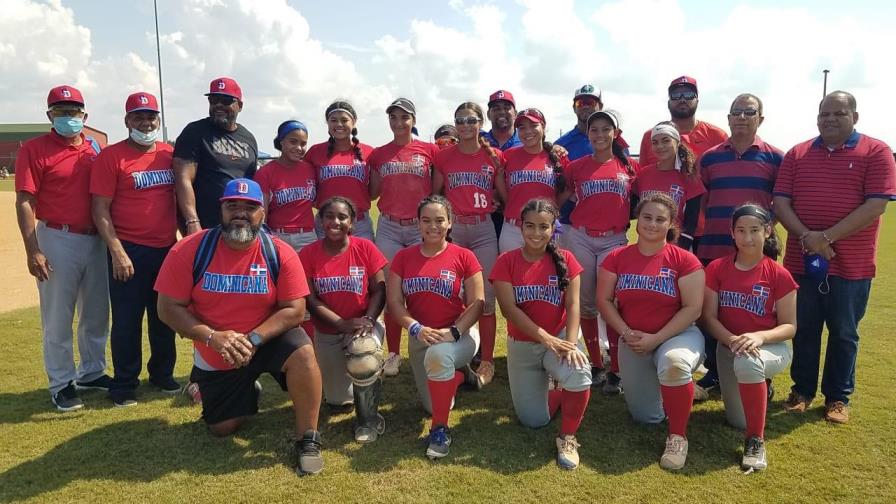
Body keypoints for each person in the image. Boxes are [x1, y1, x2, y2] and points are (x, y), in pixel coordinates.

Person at [155, 178, 325, 476]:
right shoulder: (189, 250)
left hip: (266, 336)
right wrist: (211, 337)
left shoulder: (280, 252)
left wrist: (254, 338)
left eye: (250, 207)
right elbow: (167, 308)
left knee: (304, 354)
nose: (240, 213)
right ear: (220, 209)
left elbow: (295, 309)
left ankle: (308, 438)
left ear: (263, 212)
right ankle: (239, 388)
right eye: (232, 205)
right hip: (217, 344)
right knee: (222, 428)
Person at [773, 91, 896, 424]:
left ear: (854, 117)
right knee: (805, 329)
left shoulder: (877, 151)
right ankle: (801, 392)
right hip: (803, 264)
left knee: (844, 332)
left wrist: (826, 238)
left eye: (838, 114)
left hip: (851, 267)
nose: (829, 119)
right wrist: (808, 239)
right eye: (824, 113)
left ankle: (838, 398)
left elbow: (876, 205)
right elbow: (781, 202)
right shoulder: (798, 154)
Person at [15, 85, 111, 411]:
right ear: (49, 116)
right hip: (57, 236)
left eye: (73, 111)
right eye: (61, 111)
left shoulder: (95, 148)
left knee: (96, 313)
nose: (68, 116)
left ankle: (92, 372)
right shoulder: (34, 148)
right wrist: (33, 249)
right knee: (58, 316)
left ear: (85, 115)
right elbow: (25, 201)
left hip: (95, 238)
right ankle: (61, 383)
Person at [597, 193, 704, 471]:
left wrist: (657, 339)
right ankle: (678, 389)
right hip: (633, 338)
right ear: (637, 219)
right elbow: (604, 301)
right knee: (646, 417)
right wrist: (626, 332)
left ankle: (678, 436)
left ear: (670, 224)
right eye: (647, 217)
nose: (652, 224)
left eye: (660, 219)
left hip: (677, 335)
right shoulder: (617, 257)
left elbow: (692, 308)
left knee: (673, 362)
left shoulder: (684, 259)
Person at [90, 91, 179, 407]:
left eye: (151, 116)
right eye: (138, 116)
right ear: (127, 120)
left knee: (164, 316)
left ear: (158, 119)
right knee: (127, 320)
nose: (146, 122)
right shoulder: (111, 156)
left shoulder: (169, 153)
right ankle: (124, 384)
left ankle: (162, 374)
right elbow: (100, 208)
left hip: (166, 249)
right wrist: (117, 251)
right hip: (129, 249)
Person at [491, 198, 591, 470]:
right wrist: (547, 339)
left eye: (543, 227)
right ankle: (554, 386)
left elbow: (573, 305)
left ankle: (568, 436)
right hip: (524, 344)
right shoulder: (506, 261)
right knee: (533, 421)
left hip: (558, 341)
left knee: (580, 371)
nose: (536, 233)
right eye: (530, 226)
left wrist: (570, 343)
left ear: (553, 228)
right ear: (520, 227)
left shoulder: (567, 259)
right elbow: (509, 310)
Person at [694, 94, 784, 399]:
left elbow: (781, 203)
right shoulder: (710, 157)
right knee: (711, 315)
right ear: (728, 118)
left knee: (755, 314)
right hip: (714, 248)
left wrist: (760, 239)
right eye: (736, 112)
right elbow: (701, 202)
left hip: (754, 253)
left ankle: (761, 377)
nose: (742, 117)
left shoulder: (775, 158)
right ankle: (715, 374)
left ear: (761, 117)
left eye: (749, 112)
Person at [387, 195, 484, 460]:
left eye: (440, 220)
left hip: (458, 334)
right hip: (422, 336)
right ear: (417, 224)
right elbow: (394, 303)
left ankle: (440, 429)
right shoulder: (403, 257)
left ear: (450, 223)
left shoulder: (464, 256)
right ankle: (463, 376)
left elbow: (478, 303)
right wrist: (415, 328)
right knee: (432, 405)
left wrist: (454, 331)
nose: (433, 226)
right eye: (426, 220)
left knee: (441, 358)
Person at [702, 203, 797, 471]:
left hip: (770, 346)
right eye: (741, 231)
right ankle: (758, 389)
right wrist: (732, 340)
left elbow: (790, 326)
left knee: (748, 362)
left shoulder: (779, 274)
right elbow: (708, 317)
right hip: (728, 345)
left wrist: (759, 337)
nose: (747, 237)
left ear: (767, 231)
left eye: (754, 230)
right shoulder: (718, 268)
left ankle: (755, 441)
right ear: (731, 233)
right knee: (737, 419)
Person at [559, 109, 637, 394]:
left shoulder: (628, 167)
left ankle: (616, 367)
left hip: (614, 238)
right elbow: (561, 199)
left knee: (611, 302)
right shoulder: (576, 167)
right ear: (588, 134)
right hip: (580, 236)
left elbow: (639, 199)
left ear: (615, 133)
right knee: (588, 302)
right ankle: (595, 364)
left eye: (606, 129)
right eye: (595, 130)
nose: (600, 134)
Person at [299, 197, 389, 443]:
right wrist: (340, 324)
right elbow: (310, 298)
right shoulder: (308, 254)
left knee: (363, 358)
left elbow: (380, 290)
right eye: (329, 216)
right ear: (321, 221)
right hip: (328, 332)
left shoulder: (365, 248)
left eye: (342, 217)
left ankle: (369, 421)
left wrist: (369, 319)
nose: (335, 222)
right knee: (339, 400)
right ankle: (368, 379)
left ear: (352, 223)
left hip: (363, 326)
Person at [432, 102, 504, 387]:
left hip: (484, 227)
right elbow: (434, 194)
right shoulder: (444, 157)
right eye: (460, 120)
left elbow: (502, 195)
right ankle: (451, 353)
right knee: (451, 293)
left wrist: (498, 202)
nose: (465, 125)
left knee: (484, 297)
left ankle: (486, 360)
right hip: (456, 228)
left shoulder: (494, 156)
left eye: (471, 120)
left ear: (480, 123)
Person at [368, 98, 439, 378]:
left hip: (420, 226)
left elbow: (437, 190)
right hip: (389, 225)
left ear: (413, 119)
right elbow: (373, 192)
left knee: (425, 286)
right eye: (393, 117)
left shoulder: (429, 150)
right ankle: (394, 353)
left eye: (404, 117)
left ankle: (430, 344)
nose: (399, 122)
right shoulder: (379, 154)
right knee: (392, 290)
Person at [173, 77, 259, 233]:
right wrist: (192, 221)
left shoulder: (249, 138)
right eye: (213, 100)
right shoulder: (195, 131)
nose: (218, 105)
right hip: (205, 226)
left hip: (239, 225)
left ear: (239, 105)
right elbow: (183, 179)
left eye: (225, 101)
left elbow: (252, 182)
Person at [497, 108, 568, 253]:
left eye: (533, 125)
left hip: (545, 228)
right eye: (522, 127)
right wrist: (509, 204)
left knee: (545, 274)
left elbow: (566, 190)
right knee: (511, 274)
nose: (527, 131)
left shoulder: (557, 157)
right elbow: (501, 187)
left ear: (543, 126)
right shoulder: (508, 155)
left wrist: (552, 210)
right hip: (513, 228)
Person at [305, 100, 375, 241]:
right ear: (328, 123)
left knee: (362, 263)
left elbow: (373, 192)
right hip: (327, 222)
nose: (339, 124)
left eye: (344, 120)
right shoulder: (315, 152)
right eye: (333, 120)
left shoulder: (369, 152)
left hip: (359, 223)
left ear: (354, 122)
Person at [633, 121, 705, 250]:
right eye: (655, 142)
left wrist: (681, 248)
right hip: (645, 245)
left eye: (666, 141)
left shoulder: (689, 176)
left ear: (677, 142)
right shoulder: (644, 174)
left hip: (676, 247)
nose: (660, 146)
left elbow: (691, 221)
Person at [254, 120, 317, 253]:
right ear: (281, 142)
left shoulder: (310, 169)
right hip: (277, 235)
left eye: (303, 143)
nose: (299, 148)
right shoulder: (265, 172)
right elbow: (261, 212)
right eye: (293, 142)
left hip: (307, 236)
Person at [638, 76, 728, 166]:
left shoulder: (718, 136)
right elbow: (642, 176)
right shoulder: (651, 136)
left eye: (688, 95)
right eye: (676, 95)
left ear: (697, 101)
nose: (682, 99)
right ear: (668, 103)